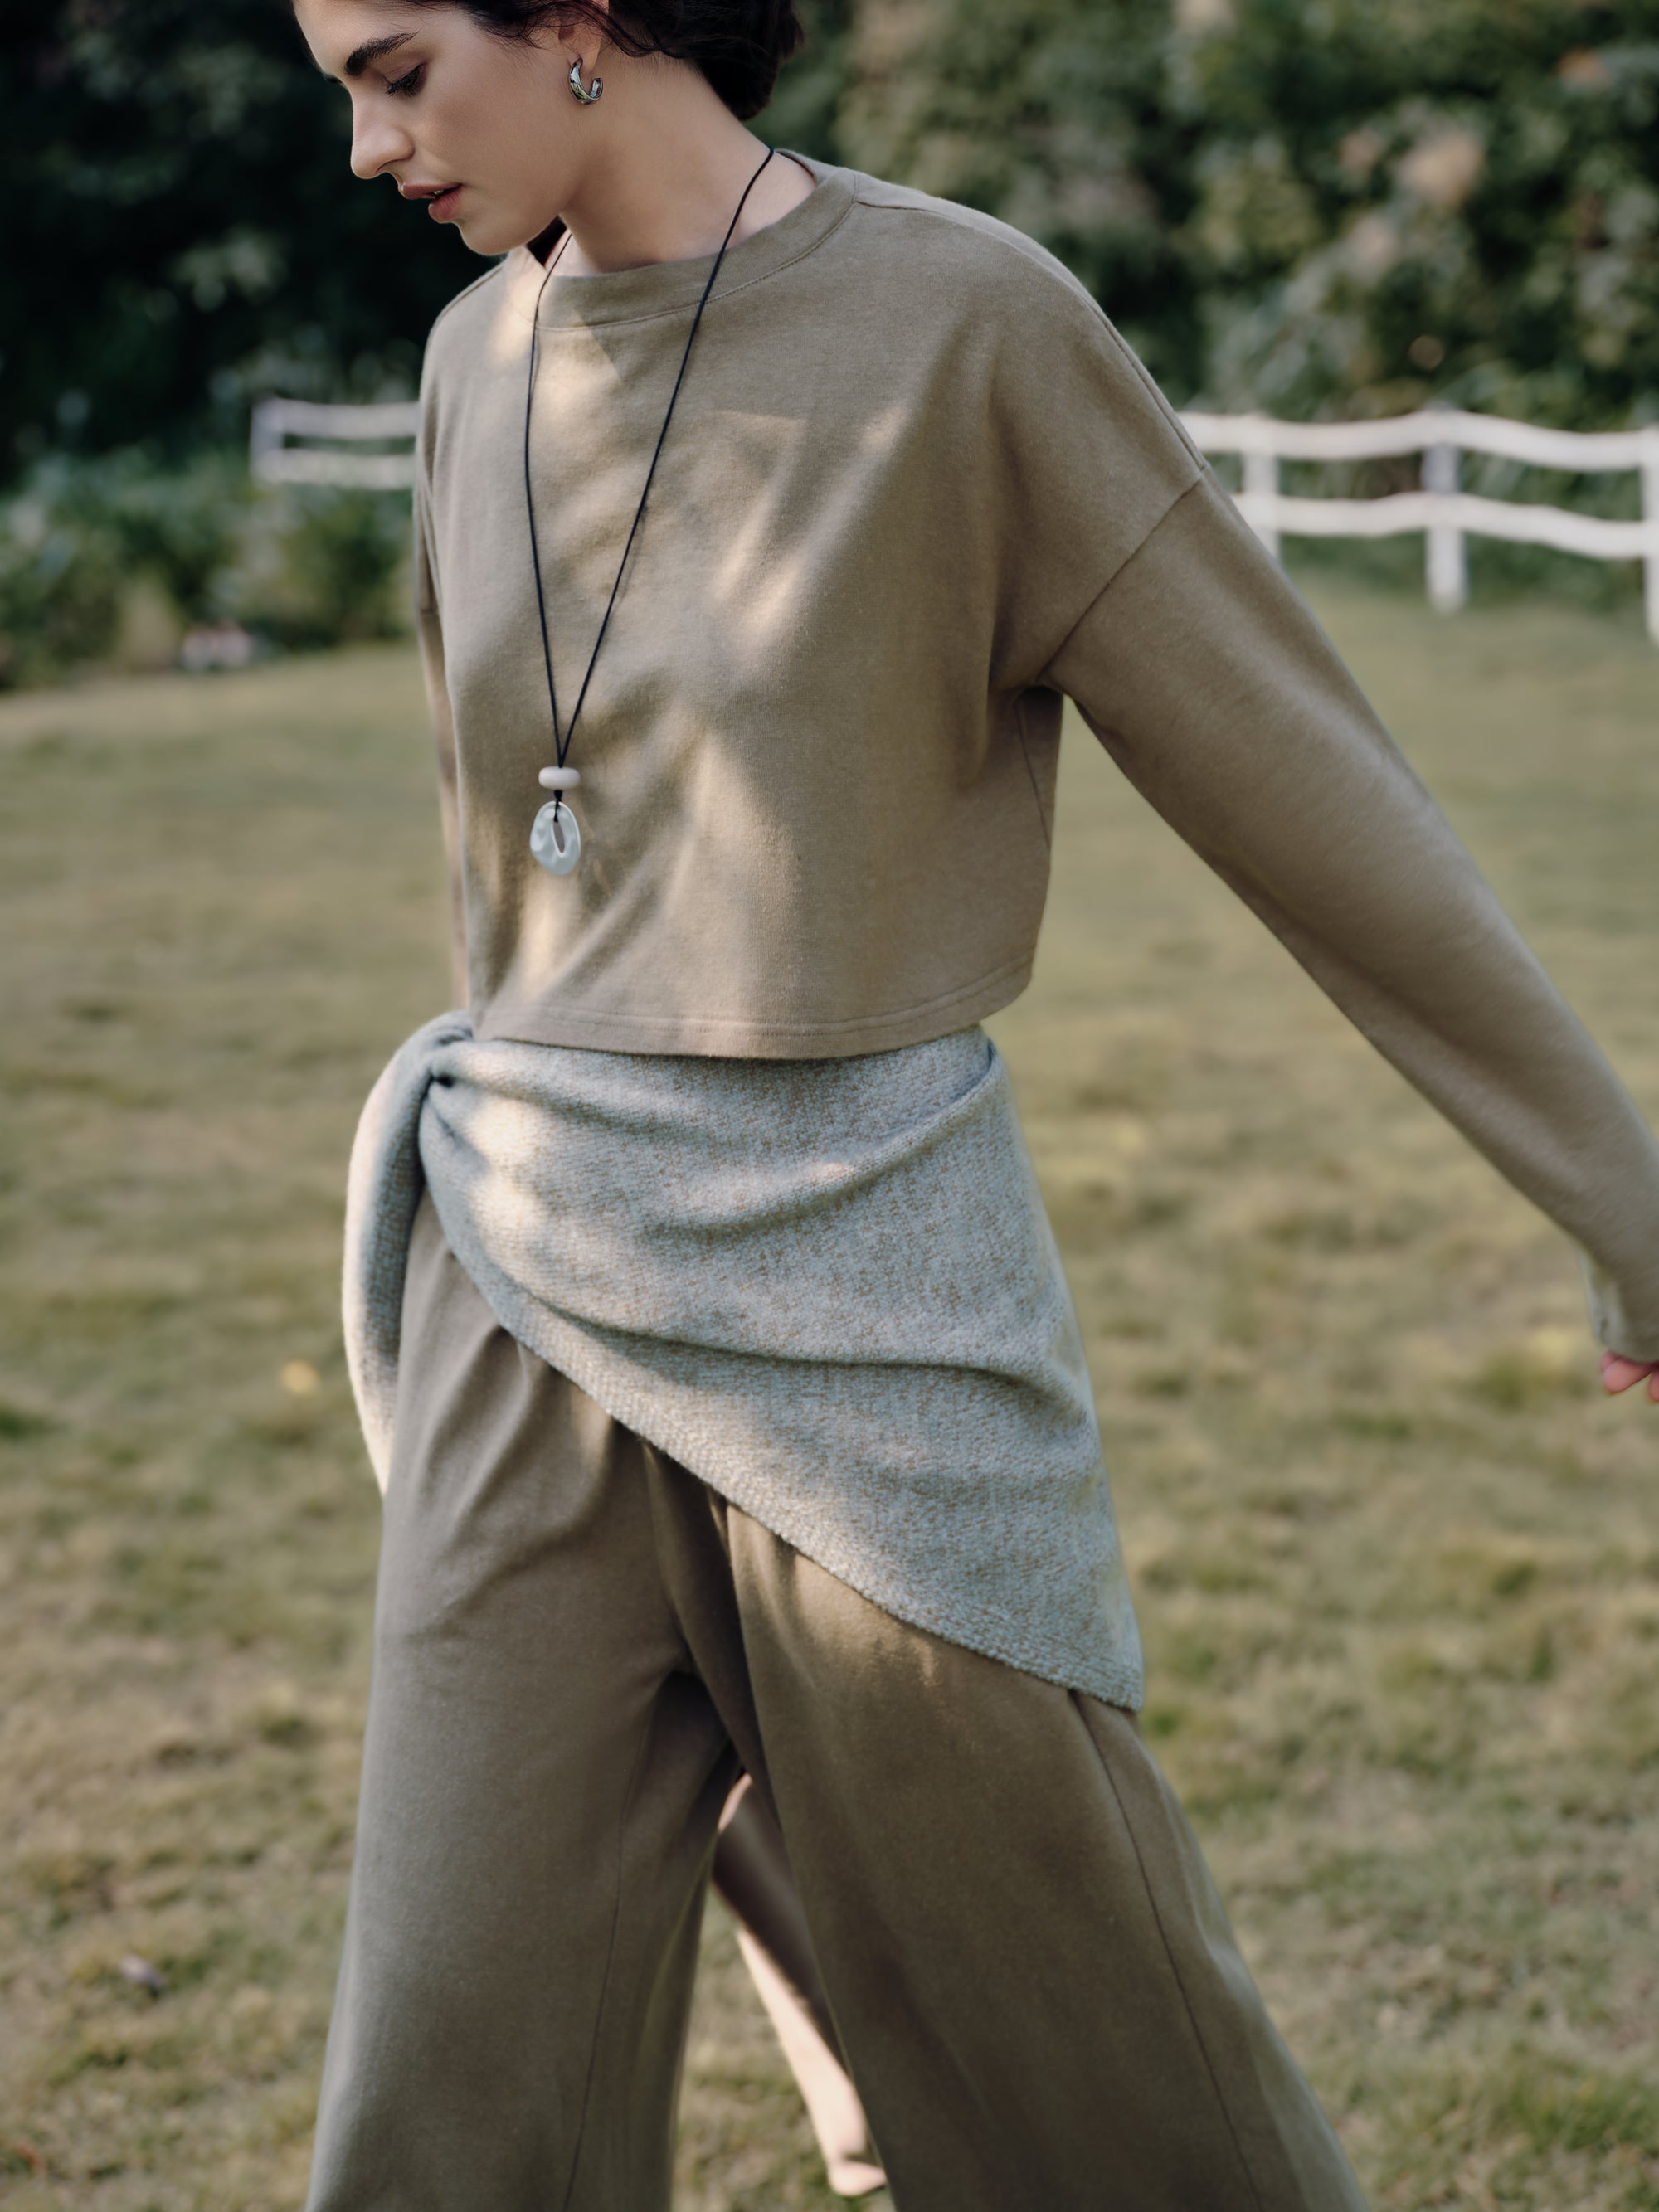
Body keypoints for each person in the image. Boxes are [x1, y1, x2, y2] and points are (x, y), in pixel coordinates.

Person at [294, 2, 1659, 2206]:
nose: (362, 146)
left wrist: (1628, 1190)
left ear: (572, 23)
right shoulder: (472, 363)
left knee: (1114, 2101)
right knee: (443, 2092)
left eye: (387, 67)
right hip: (521, 1296)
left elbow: (1316, 793)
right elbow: (516, 882)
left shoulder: (966, 327)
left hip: (871, 1319)